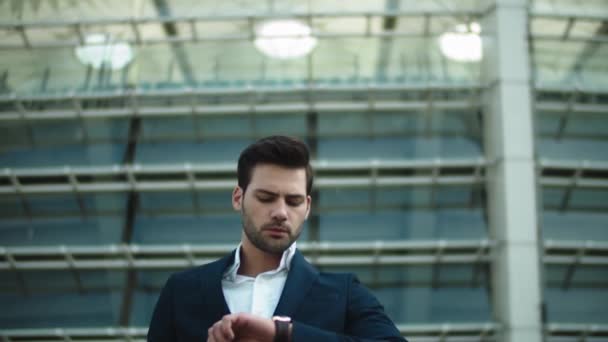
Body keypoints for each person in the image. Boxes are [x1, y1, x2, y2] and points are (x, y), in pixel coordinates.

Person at [147, 135, 407, 342]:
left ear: (306, 207)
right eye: (266, 198)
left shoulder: (343, 292)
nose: (281, 213)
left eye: (293, 201)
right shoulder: (181, 292)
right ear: (238, 198)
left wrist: (281, 334)